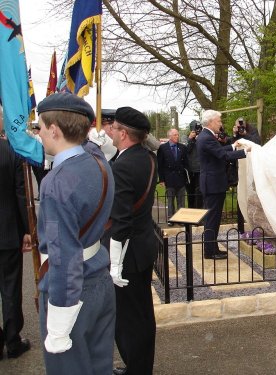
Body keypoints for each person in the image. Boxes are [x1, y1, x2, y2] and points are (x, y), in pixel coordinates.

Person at [35, 92, 116, 374]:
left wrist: (58, 324)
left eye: (41, 127)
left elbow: (64, 256)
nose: (39, 133)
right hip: (99, 279)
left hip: (71, 291)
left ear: (54, 129)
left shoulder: (57, 182)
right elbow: (97, 147)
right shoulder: (98, 162)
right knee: (99, 366)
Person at [104, 106, 158, 375]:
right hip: (143, 246)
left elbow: (122, 222)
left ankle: (137, 369)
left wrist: (114, 265)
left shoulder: (124, 165)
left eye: (113, 127)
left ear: (124, 133)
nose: (110, 131)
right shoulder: (146, 156)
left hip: (128, 254)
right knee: (142, 314)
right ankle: (140, 367)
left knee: (129, 320)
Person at [0, 104, 32, 360]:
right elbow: (22, 195)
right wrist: (27, 230)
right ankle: (12, 340)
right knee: (10, 289)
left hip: (8, 232)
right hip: (8, 232)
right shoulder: (11, 152)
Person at [197, 110, 249, 259]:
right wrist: (244, 152)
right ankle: (209, 251)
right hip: (213, 184)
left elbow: (218, 150)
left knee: (214, 217)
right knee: (212, 218)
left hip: (213, 183)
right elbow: (222, 155)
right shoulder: (206, 137)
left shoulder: (206, 136)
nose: (220, 124)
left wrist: (233, 146)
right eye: (219, 121)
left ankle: (213, 247)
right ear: (211, 121)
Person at [229, 118, 262, 233]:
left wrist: (245, 134)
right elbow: (231, 147)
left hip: (251, 166)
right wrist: (235, 134)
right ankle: (241, 227)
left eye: (241, 125)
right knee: (240, 196)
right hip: (239, 166)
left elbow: (257, 142)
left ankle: (255, 223)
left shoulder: (252, 131)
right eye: (238, 126)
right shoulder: (236, 134)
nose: (240, 128)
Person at [157, 128, 188, 225]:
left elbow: (186, 163)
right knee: (170, 200)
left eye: (177, 135)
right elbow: (160, 165)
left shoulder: (182, 147)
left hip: (180, 177)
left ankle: (181, 218)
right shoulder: (162, 148)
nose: (177, 136)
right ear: (169, 136)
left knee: (181, 200)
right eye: (175, 135)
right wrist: (161, 179)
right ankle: (171, 219)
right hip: (169, 178)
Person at [185, 120, 204, 208]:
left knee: (199, 192)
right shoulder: (186, 138)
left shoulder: (202, 137)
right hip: (190, 171)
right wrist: (190, 139)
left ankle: (199, 211)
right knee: (190, 192)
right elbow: (186, 151)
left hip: (200, 169)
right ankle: (191, 210)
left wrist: (199, 138)